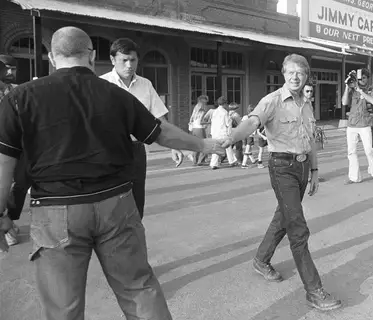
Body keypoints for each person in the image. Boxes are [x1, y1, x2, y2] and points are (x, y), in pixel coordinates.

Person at [0, 26, 219, 319]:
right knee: (138, 289)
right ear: (91, 56)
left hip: (56, 210)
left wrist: (3, 216)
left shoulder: (20, 99)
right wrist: (202, 143)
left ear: (52, 57)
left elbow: (4, 164)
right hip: (116, 203)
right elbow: (160, 131)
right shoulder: (115, 94)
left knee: (63, 307)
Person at [219, 54, 341, 311]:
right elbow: (251, 122)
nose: (295, 77)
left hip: (303, 167)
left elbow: (310, 141)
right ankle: (314, 290)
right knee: (297, 227)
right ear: (284, 74)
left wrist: (315, 170)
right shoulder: (272, 101)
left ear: (307, 76)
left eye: (300, 73)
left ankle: (261, 260)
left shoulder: (306, 104)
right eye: (290, 72)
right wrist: (232, 138)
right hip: (282, 167)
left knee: (283, 217)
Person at [100, 38, 176, 219]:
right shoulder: (101, 84)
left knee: (136, 201)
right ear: (113, 60)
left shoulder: (145, 85)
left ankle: (134, 241)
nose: (129, 65)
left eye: (133, 60)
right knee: (111, 203)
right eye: (123, 60)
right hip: (108, 151)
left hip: (136, 151)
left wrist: (174, 145)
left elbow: (160, 119)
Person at [0, 54, 32, 247]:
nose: (11, 72)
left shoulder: (18, 91)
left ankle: (10, 222)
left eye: (14, 69)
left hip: (16, 147)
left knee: (18, 185)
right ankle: (7, 229)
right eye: (7, 68)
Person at [341, 68, 373, 184]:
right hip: (352, 124)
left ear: (367, 78)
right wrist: (347, 86)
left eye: (363, 78)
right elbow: (344, 102)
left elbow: (372, 101)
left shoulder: (372, 89)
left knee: (369, 151)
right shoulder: (351, 89)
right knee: (351, 152)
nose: (361, 81)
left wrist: (360, 90)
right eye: (359, 79)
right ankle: (354, 177)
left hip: (365, 123)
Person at [206, 96, 237, 169]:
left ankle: (213, 163)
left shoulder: (214, 112)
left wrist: (212, 132)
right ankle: (232, 161)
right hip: (223, 132)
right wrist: (229, 133)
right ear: (224, 104)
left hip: (215, 133)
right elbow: (228, 124)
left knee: (216, 148)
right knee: (228, 147)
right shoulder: (225, 112)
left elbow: (212, 123)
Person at [189, 95, 210, 165]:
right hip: (200, 129)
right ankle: (201, 161)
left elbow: (191, 120)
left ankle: (195, 160)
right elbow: (201, 122)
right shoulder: (202, 111)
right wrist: (209, 122)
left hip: (194, 129)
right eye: (206, 102)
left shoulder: (195, 110)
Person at [240, 104, 258, 168]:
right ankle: (243, 164)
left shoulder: (245, 117)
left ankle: (253, 160)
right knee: (247, 149)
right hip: (250, 135)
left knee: (248, 148)